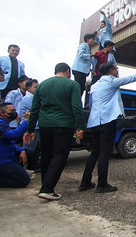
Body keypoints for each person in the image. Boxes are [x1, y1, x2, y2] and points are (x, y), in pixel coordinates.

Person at [79, 62, 136, 193]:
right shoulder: (110, 81)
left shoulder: (95, 85)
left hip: (94, 122)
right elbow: (131, 78)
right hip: (107, 121)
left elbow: (91, 104)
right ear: (110, 71)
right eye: (116, 69)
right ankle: (102, 185)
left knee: (95, 152)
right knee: (104, 153)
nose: (117, 71)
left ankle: (85, 182)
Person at [24, 63, 85, 200]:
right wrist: (80, 127)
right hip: (64, 125)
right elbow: (76, 106)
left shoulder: (42, 85)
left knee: (47, 155)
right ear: (68, 71)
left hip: (45, 125)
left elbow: (34, 109)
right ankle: (47, 188)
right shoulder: (72, 85)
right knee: (60, 155)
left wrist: (30, 129)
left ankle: (45, 186)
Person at [0, 102, 32, 188]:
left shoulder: (5, 123)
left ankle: (17, 170)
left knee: (29, 152)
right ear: (2, 113)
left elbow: (9, 143)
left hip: (8, 156)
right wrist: (26, 121)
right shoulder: (1, 124)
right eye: (11, 111)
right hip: (3, 161)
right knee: (24, 181)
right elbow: (13, 135)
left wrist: (21, 150)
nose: (14, 112)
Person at [72, 33, 96, 99]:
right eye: (93, 39)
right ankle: (75, 102)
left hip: (83, 71)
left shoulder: (88, 48)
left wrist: (91, 70)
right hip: (79, 70)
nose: (94, 41)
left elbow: (87, 62)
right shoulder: (83, 45)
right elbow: (81, 55)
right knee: (79, 88)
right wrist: (91, 55)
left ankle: (77, 101)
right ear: (88, 40)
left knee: (82, 88)